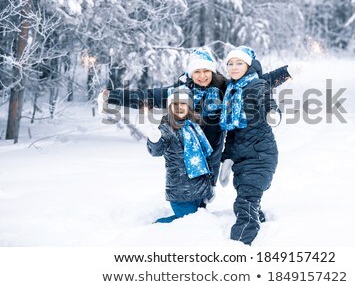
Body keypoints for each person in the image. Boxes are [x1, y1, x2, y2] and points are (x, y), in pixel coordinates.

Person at [100, 49, 291, 190]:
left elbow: (256, 82)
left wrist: (286, 73)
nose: (201, 76)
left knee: (204, 197)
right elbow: (147, 95)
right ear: (191, 74)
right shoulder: (181, 92)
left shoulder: (225, 89)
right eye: (197, 72)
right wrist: (113, 96)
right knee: (191, 199)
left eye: (206, 71)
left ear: (212, 72)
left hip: (213, 154)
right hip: (189, 155)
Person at [218, 46, 279, 245]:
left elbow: (266, 97)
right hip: (242, 157)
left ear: (249, 65)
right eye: (230, 64)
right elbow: (232, 133)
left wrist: (272, 112)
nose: (234, 68)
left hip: (260, 154)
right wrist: (227, 158)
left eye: (239, 63)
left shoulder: (256, 85)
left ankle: (239, 246)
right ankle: (260, 219)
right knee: (246, 200)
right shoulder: (232, 90)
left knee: (245, 203)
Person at [146, 86, 214, 223]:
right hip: (180, 192)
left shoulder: (194, 125)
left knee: (199, 223)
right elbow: (157, 150)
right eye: (175, 104)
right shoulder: (167, 128)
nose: (179, 107)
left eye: (183, 103)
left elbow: (204, 158)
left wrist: (209, 188)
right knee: (186, 223)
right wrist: (154, 140)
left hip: (199, 190)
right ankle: (154, 228)